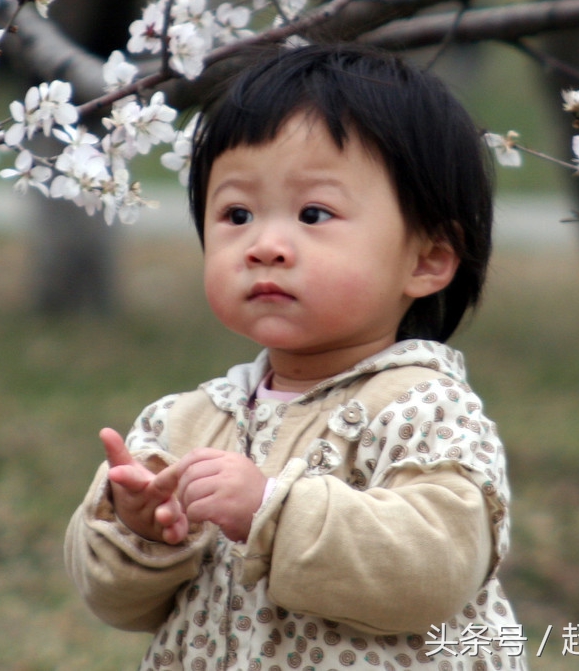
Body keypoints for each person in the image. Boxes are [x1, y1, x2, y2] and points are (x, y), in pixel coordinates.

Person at [64, 43, 527, 670]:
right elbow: (118, 606)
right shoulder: (185, 424)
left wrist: (270, 511)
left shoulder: (423, 409)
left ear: (427, 260)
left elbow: (434, 572)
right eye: (237, 213)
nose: (266, 245)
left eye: (314, 213)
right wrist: (140, 530)